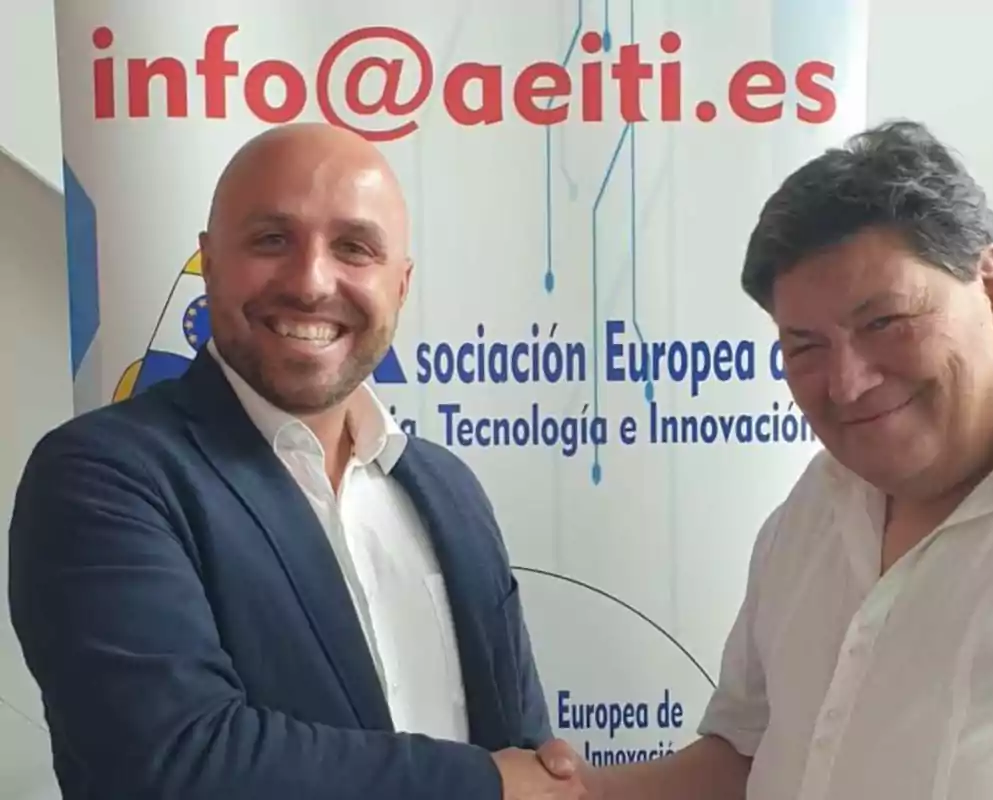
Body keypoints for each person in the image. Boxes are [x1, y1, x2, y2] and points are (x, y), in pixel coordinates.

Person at [537, 120, 993, 798]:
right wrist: (574, 793)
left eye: (884, 323)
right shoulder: (815, 505)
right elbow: (749, 756)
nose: (847, 382)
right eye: (804, 347)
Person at [7, 122, 585, 800]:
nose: (312, 282)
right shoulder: (104, 477)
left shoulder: (448, 489)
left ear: (400, 285)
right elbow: (173, 763)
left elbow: (523, 749)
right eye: (272, 239)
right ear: (210, 262)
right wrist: (485, 784)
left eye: (354, 247)